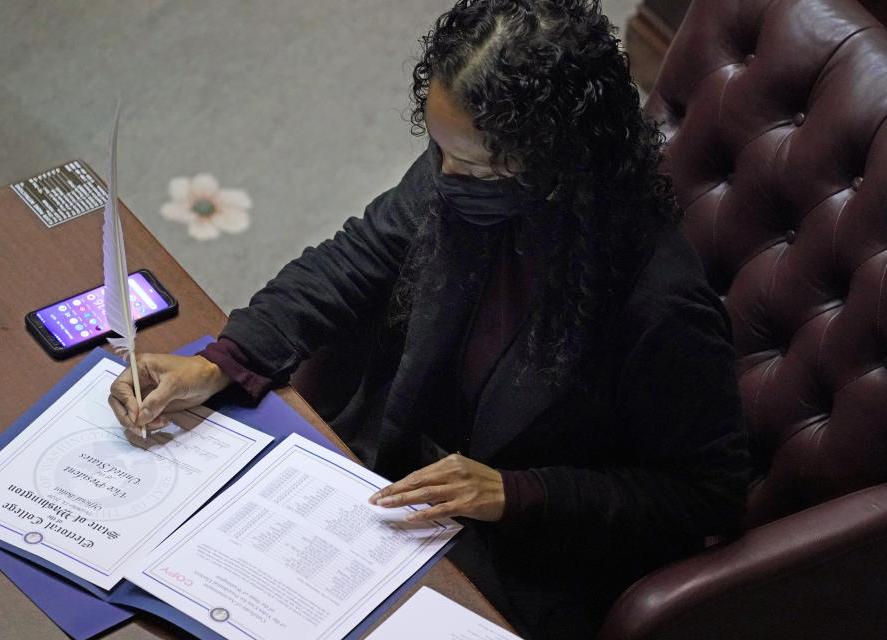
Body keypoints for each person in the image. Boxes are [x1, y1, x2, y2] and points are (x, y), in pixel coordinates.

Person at [109, 1, 750, 637]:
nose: (443, 178)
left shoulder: (659, 305)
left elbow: (705, 494)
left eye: (470, 166)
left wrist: (518, 492)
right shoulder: (460, 179)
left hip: (522, 554)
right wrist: (222, 360)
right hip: (395, 481)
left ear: (555, 167)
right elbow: (354, 258)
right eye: (439, 151)